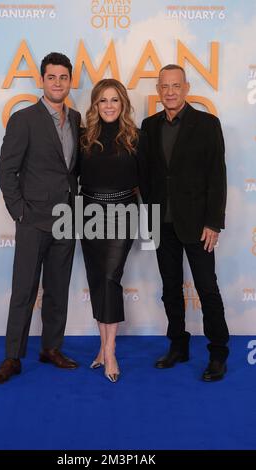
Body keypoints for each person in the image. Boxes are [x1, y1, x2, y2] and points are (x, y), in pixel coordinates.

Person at [0, 52, 81, 384]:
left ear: (70, 81)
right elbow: (6, 169)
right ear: (43, 80)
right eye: (52, 77)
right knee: (24, 290)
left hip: (66, 220)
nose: (58, 83)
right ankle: (12, 358)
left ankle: (51, 349)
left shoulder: (76, 119)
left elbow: (73, 170)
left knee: (57, 289)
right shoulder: (24, 119)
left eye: (63, 77)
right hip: (32, 220)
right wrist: (20, 212)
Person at [141, 64, 229, 382]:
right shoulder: (148, 126)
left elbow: (217, 178)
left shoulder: (207, 124)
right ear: (158, 90)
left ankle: (218, 353)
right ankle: (178, 346)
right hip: (161, 224)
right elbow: (146, 176)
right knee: (170, 289)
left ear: (187, 88)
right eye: (164, 86)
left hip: (198, 225)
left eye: (176, 86)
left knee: (207, 289)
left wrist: (214, 223)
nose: (170, 92)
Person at [79, 78, 147, 382]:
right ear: (95, 105)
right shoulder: (82, 138)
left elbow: (149, 182)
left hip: (124, 211)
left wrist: (154, 224)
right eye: (103, 100)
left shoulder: (136, 137)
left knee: (110, 277)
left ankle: (110, 350)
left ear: (123, 104)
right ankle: (102, 348)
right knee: (97, 280)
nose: (108, 106)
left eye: (114, 100)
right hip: (88, 212)